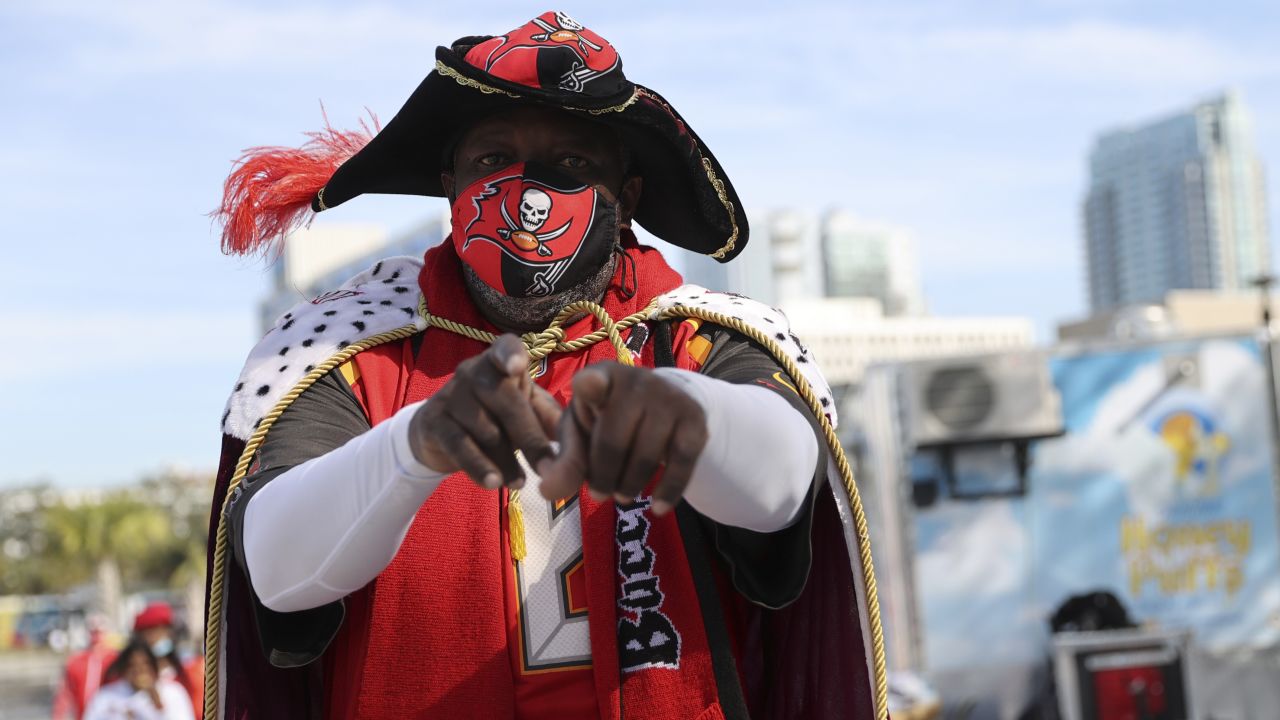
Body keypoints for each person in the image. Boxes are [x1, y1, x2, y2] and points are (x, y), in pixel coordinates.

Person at [204, 11, 885, 720]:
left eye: (572, 165)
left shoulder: (697, 341)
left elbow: (784, 486)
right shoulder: (349, 352)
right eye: (492, 162)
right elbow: (277, 570)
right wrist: (416, 444)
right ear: (450, 187)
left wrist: (691, 417)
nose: (528, 198)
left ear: (629, 199)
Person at [82, 639, 195, 720]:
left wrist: (158, 704)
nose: (140, 671)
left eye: (145, 664)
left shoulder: (173, 692)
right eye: (132, 665)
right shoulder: (105, 696)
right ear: (124, 669)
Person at [51, 618, 116, 720]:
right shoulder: (75, 661)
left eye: (99, 632)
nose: (97, 636)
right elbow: (64, 694)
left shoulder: (115, 660)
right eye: (93, 632)